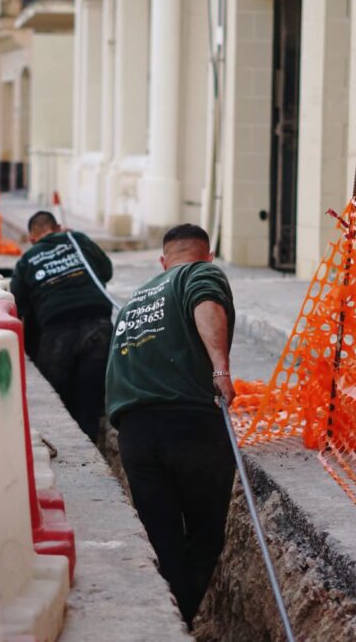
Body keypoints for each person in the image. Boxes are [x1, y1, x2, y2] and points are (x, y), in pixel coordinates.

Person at [105, 223, 236, 626]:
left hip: (136, 436)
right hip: (190, 425)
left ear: (162, 261)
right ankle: (179, 622)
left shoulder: (136, 300)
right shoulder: (201, 273)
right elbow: (206, 303)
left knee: (163, 542)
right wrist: (220, 370)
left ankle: (166, 624)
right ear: (207, 255)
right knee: (204, 537)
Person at [11, 211, 114, 442]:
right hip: (99, 326)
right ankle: (92, 447)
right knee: (90, 399)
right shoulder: (79, 241)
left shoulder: (27, 261)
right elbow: (106, 271)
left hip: (57, 333)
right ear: (58, 228)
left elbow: (18, 307)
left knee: (57, 399)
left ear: (32, 239)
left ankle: (63, 448)